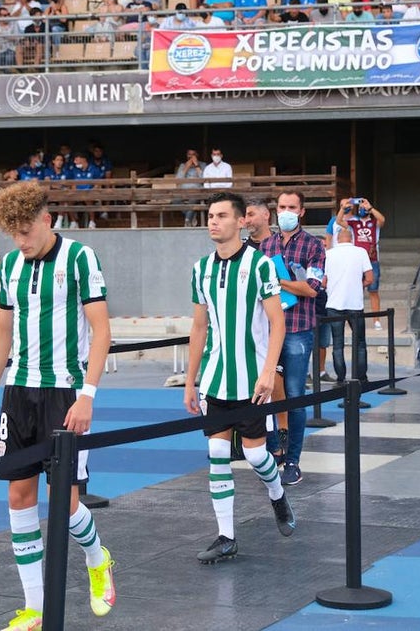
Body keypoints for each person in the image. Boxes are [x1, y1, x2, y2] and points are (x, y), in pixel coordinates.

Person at [0, 182, 116, 629]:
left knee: (65, 502)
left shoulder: (79, 258)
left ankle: (97, 558)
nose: (20, 242)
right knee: (18, 495)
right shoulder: (11, 265)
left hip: (64, 391)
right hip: (19, 392)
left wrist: (88, 395)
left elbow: (101, 331)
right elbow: (2, 335)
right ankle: (33, 609)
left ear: (46, 220)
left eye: (25, 231)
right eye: (12, 234)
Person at [184, 192, 294, 564]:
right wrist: (190, 381)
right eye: (210, 215)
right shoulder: (200, 269)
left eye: (221, 215)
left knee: (255, 454)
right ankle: (226, 536)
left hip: (251, 378)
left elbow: (278, 322)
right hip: (216, 379)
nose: (213, 221)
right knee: (216, 452)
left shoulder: (261, 265)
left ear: (240, 222)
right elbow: (199, 328)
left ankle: (277, 494)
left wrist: (267, 372)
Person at [259, 191, 325, 486]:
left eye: (291, 207)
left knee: (296, 396)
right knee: (265, 391)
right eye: (281, 207)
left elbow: (312, 288)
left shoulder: (314, 245)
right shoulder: (267, 244)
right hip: (268, 329)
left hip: (298, 329)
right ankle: (273, 449)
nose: (285, 211)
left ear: (301, 211)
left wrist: (277, 280)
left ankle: (293, 460)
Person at [324, 227, 373, 384]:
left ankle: (340, 378)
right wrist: (359, 286)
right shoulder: (360, 252)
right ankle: (361, 377)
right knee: (359, 343)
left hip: (333, 303)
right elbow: (370, 278)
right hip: (355, 303)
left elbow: (323, 281)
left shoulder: (329, 254)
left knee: (337, 344)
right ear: (352, 238)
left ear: (337, 238)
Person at [336, 197, 386, 329]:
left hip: (372, 260)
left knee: (373, 290)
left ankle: (376, 320)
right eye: (360, 207)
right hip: (356, 261)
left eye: (364, 207)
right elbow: (339, 221)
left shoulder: (374, 222)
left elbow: (382, 220)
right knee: (356, 290)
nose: (362, 209)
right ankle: (356, 319)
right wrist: (343, 208)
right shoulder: (354, 223)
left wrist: (370, 208)